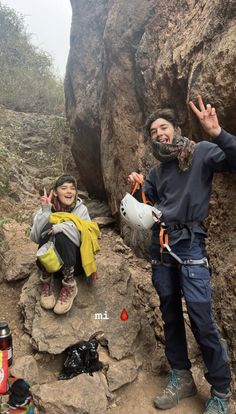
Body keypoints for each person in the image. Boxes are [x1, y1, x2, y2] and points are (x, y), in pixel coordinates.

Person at [127, 96, 236, 414]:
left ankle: (221, 390)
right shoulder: (156, 172)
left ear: (176, 129)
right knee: (171, 316)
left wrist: (217, 133)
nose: (158, 133)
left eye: (163, 127)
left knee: (202, 318)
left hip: (189, 245)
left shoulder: (200, 152)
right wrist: (136, 189)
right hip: (160, 247)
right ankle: (182, 377)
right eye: (152, 132)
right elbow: (145, 209)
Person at [30, 174, 95, 315]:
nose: (69, 191)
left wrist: (62, 228)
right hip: (51, 265)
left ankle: (69, 286)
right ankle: (46, 281)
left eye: (72, 188)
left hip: (73, 264)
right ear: (55, 192)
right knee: (49, 224)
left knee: (60, 230)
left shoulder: (81, 210)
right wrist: (46, 210)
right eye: (64, 188)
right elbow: (35, 237)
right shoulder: (47, 207)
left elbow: (87, 235)